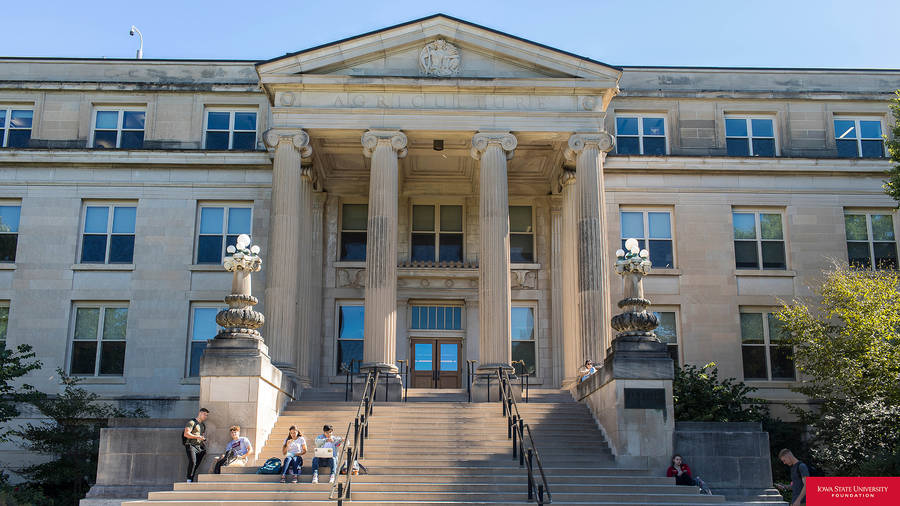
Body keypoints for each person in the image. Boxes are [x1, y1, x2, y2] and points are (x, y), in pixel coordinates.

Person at [182, 408, 209, 483]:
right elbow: (186, 434)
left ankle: (191, 478)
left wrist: (202, 439)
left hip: (199, 447)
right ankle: (189, 480)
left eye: (206, 415)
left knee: (196, 463)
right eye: (204, 414)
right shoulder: (191, 422)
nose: (205, 416)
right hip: (191, 445)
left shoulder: (203, 425)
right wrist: (197, 437)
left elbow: (201, 435)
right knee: (193, 462)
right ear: (200, 413)